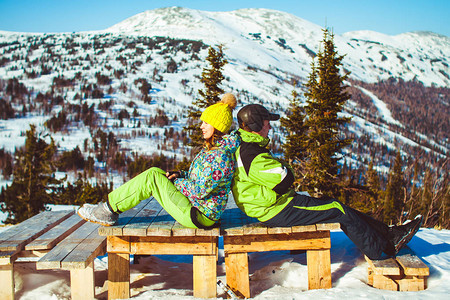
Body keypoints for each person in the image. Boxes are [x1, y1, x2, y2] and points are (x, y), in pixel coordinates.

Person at [231, 103, 423, 260]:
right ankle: (381, 250)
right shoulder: (252, 153)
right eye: (266, 123)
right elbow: (285, 178)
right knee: (336, 209)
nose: (270, 127)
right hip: (275, 209)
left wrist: (281, 169)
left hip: (271, 204)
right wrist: (284, 168)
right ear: (256, 126)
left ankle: (389, 234)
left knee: (333, 204)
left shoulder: (248, 146)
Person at [78, 93, 240, 229]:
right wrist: (180, 174)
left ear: (217, 126)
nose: (201, 126)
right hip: (199, 209)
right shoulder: (214, 151)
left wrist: (177, 182)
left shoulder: (220, 156)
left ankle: (107, 211)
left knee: (152, 178)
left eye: (206, 122)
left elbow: (199, 190)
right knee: (155, 172)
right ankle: (108, 207)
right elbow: (204, 180)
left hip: (200, 215)